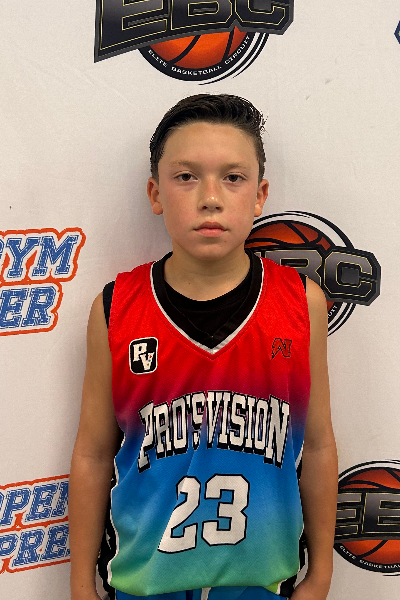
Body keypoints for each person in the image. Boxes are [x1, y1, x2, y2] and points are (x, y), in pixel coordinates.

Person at [69, 94, 338, 600]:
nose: (210, 198)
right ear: (155, 193)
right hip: (145, 582)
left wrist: (321, 572)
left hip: (262, 581)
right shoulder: (116, 307)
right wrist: (80, 581)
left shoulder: (302, 303)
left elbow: (318, 446)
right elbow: (93, 452)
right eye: (186, 176)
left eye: (232, 178)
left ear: (259, 196)